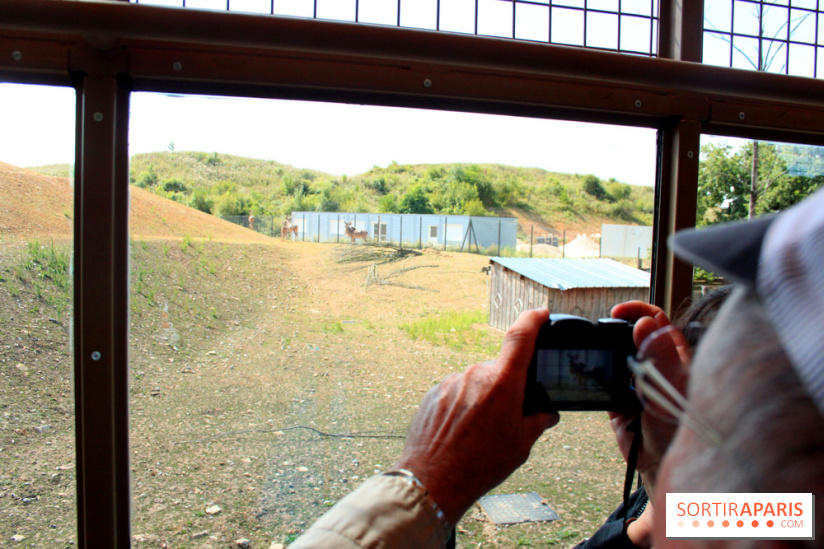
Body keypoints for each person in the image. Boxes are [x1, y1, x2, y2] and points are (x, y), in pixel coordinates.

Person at [290, 188, 824, 548]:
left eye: (706, 403)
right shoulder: (781, 516)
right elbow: (777, 514)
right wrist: (661, 493)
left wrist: (431, 480)